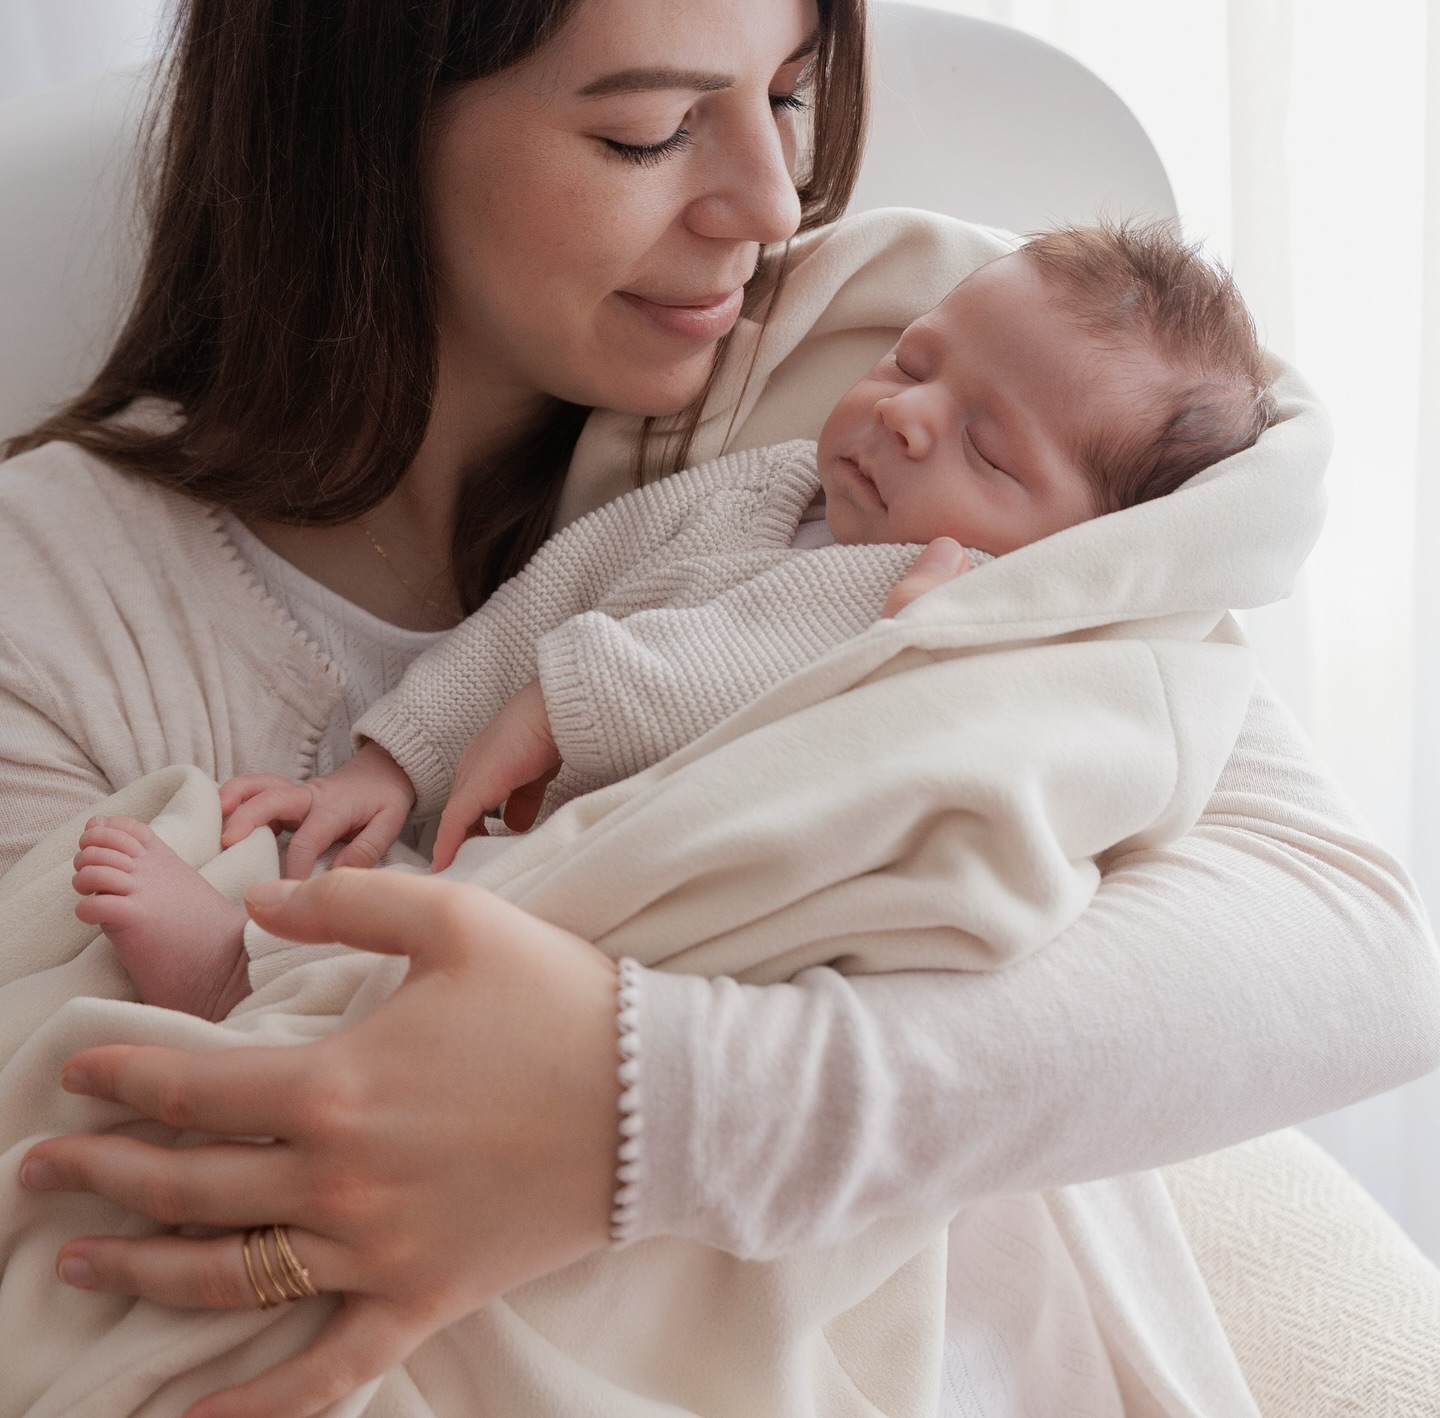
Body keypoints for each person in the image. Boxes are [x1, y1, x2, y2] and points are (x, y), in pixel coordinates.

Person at [3, 0, 1435, 1418]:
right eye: (644, 135)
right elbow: (93, 1201)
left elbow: (1344, 948)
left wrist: (628, 1110)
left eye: (787, 93)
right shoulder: (55, 606)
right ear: (361, 128)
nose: (766, 202)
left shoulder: (880, 359)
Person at [69, 219, 1282, 1028]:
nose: (910, 417)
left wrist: (569, 701)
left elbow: (773, 693)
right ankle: (251, 968)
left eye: (987, 446)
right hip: (529, 812)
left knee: (478, 970)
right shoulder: (768, 486)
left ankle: (245, 984)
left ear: (1077, 555)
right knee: (411, 887)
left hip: (660, 902)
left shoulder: (953, 614)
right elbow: (561, 584)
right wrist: (405, 750)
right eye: (917, 365)